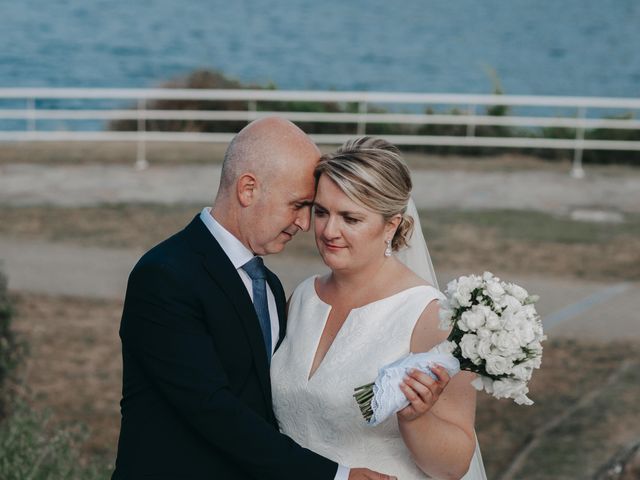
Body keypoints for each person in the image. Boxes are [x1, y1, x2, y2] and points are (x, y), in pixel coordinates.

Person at [112, 118, 395, 479]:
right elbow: (212, 409)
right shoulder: (166, 275)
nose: (306, 224)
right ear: (248, 189)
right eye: (298, 204)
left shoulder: (271, 287)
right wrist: (336, 476)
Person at [271, 137, 488, 479]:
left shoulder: (432, 317)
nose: (329, 230)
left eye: (351, 218)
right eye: (322, 212)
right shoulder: (302, 298)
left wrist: (416, 418)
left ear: (391, 225)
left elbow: (454, 467)